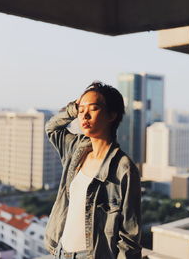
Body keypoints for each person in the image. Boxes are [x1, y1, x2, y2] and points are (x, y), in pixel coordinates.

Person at [44, 81, 142, 259]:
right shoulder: (76, 148)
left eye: (93, 109)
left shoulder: (123, 168)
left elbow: (130, 236)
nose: (84, 116)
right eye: (81, 110)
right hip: (60, 251)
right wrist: (74, 108)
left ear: (112, 115)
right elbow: (52, 127)